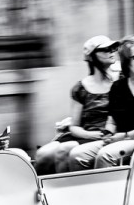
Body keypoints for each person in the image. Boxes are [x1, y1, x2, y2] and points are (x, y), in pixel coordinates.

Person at [68, 35, 134, 170]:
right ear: (126, 61)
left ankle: (106, 191)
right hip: (120, 139)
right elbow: (112, 121)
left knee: (105, 155)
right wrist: (108, 133)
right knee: (77, 154)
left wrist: (125, 136)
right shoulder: (118, 87)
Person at [34, 35, 121, 174]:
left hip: (107, 135)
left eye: (113, 48)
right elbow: (74, 126)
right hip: (84, 135)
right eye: (106, 49)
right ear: (92, 57)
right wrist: (89, 134)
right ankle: (39, 191)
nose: (112, 51)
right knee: (43, 154)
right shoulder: (80, 88)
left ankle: (64, 191)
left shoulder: (120, 81)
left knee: (64, 150)